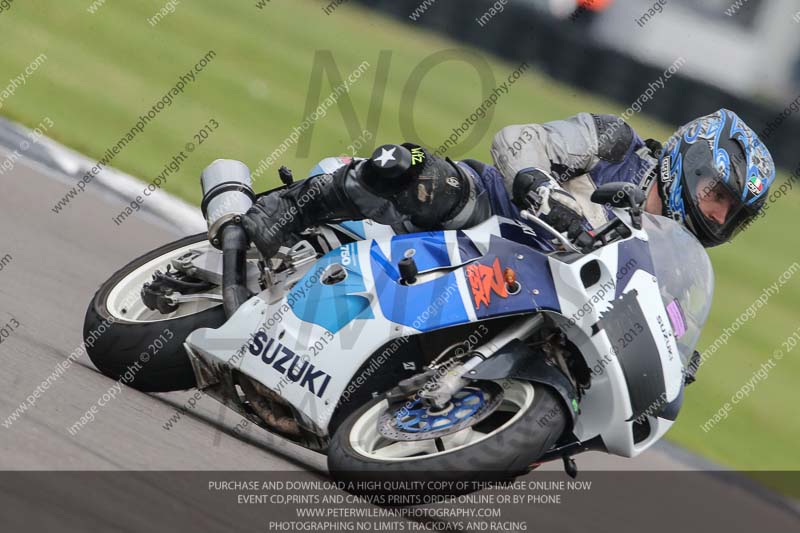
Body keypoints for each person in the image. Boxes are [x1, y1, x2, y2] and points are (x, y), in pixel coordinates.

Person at [241, 109, 775, 258]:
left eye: (733, 213)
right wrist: (545, 190)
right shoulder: (617, 142)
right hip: (483, 212)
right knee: (414, 167)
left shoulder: (671, 258)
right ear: (693, 163)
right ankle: (280, 213)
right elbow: (520, 139)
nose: (719, 216)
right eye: (719, 196)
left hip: (524, 292)